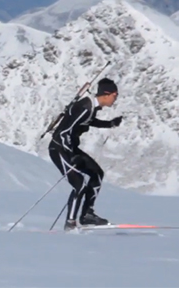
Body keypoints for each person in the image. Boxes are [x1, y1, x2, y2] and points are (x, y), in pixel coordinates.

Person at [48, 78, 123, 231]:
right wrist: (71, 154)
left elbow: (88, 121)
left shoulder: (90, 107)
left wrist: (109, 124)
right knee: (79, 184)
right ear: (106, 94)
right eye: (115, 95)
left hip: (70, 148)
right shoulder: (85, 107)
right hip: (59, 149)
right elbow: (63, 132)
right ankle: (70, 223)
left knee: (97, 173)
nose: (116, 99)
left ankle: (87, 215)